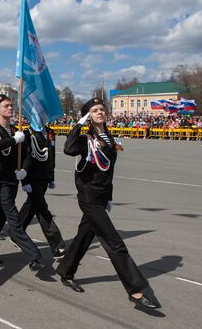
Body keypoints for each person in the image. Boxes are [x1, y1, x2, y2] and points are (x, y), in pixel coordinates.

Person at [56, 98, 161, 310]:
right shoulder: (86, 139)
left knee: (84, 236)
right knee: (114, 242)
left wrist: (109, 196)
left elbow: (109, 171)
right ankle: (137, 290)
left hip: (102, 197)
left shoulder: (109, 137)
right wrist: (78, 123)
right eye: (94, 110)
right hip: (88, 198)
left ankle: (65, 271)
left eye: (102, 109)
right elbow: (68, 149)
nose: (100, 112)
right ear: (88, 116)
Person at [0, 94, 44, 272]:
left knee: (0, 216)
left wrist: (23, 170)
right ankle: (34, 256)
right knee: (13, 218)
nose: (10, 108)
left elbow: (27, 154)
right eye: (6, 106)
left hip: (13, 178)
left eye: (11, 106)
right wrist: (14, 140)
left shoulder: (17, 130)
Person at [19, 125, 66, 258]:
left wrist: (51, 176)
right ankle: (57, 245)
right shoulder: (27, 133)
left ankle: (16, 231)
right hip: (32, 176)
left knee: (32, 206)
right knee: (42, 209)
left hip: (44, 176)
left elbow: (51, 156)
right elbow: (24, 157)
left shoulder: (50, 132)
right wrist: (25, 181)